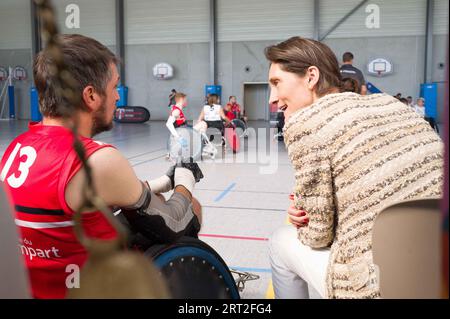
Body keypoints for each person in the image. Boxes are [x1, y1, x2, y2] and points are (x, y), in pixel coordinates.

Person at [0, 34, 203, 299]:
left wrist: (163, 182)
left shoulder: (16, 147)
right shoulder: (95, 159)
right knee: (189, 208)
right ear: (91, 95)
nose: (118, 97)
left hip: (35, 285)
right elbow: (173, 224)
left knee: (155, 200)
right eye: (114, 87)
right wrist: (185, 180)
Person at [265, 36, 443, 299]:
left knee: (280, 242)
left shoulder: (306, 123)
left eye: (276, 83)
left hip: (380, 286)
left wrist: (307, 220)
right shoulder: (393, 105)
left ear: (311, 77)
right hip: (438, 268)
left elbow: (318, 236)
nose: (273, 98)